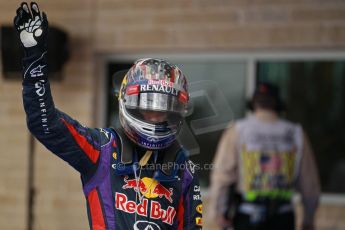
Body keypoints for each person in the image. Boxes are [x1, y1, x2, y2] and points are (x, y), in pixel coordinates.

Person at [14, 2, 202, 229]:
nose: (155, 116)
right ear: (128, 102)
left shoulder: (184, 169)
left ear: (174, 112)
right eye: (147, 107)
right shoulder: (103, 149)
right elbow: (46, 126)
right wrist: (34, 59)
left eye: (163, 109)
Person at [209, 82, 320, 230]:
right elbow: (310, 185)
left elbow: (222, 176)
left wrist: (218, 213)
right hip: (283, 217)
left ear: (253, 103)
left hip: (247, 216)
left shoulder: (238, 131)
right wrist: (308, 219)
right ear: (278, 104)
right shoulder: (295, 133)